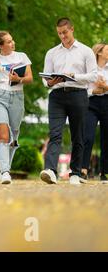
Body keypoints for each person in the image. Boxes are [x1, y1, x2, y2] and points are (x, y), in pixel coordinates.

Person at [40, 17, 98, 185]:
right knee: (55, 133)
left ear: (72, 29)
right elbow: (46, 78)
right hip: (57, 95)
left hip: (78, 95)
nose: (62, 36)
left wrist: (75, 76)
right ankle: (50, 170)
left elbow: (93, 75)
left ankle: (76, 172)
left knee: (77, 135)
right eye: (59, 33)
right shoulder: (51, 53)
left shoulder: (86, 51)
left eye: (65, 32)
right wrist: (50, 82)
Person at [0, 30, 33, 184]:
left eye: (12, 40)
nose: (13, 43)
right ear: (1, 46)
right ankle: (5, 172)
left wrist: (18, 79)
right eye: (8, 41)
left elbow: (29, 78)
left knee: (13, 136)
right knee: (3, 134)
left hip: (17, 98)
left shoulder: (22, 56)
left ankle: (6, 168)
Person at [82, 43, 108, 183]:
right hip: (90, 104)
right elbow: (81, 90)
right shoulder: (89, 70)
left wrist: (105, 86)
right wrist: (94, 91)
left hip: (107, 103)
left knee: (107, 138)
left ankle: (105, 172)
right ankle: (83, 169)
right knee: (88, 136)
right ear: (99, 52)